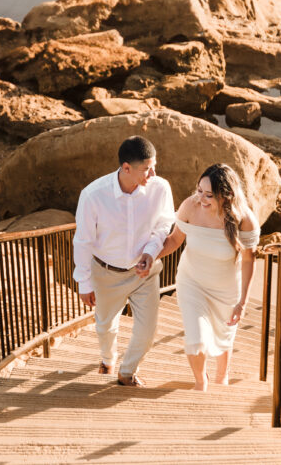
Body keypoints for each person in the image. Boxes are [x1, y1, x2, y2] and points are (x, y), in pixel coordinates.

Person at [73, 136, 174, 387]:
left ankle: (127, 372)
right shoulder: (93, 195)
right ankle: (107, 359)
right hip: (106, 273)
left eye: (154, 166)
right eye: (146, 169)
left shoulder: (160, 187)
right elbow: (83, 241)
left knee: (148, 332)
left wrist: (151, 253)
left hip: (145, 274)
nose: (152, 173)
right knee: (105, 326)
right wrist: (84, 282)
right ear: (126, 168)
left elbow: (164, 224)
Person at [158, 163, 260, 391]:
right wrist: (149, 255)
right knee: (196, 340)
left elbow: (248, 260)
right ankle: (200, 382)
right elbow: (174, 240)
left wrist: (242, 302)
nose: (201, 199)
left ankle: (222, 377)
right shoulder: (190, 206)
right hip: (191, 281)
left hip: (226, 289)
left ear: (226, 196)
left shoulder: (244, 220)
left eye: (209, 195)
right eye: (199, 191)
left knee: (224, 334)